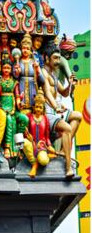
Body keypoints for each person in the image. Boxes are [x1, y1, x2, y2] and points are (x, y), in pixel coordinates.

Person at [41, 45, 82, 179]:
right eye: (55, 58)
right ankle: (68, 168)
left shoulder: (54, 74)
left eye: (59, 58)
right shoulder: (43, 73)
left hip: (56, 111)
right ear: (47, 58)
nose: (58, 61)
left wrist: (70, 84)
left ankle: (63, 151)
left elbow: (64, 93)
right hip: (47, 112)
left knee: (78, 116)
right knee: (67, 128)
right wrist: (56, 107)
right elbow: (47, 93)